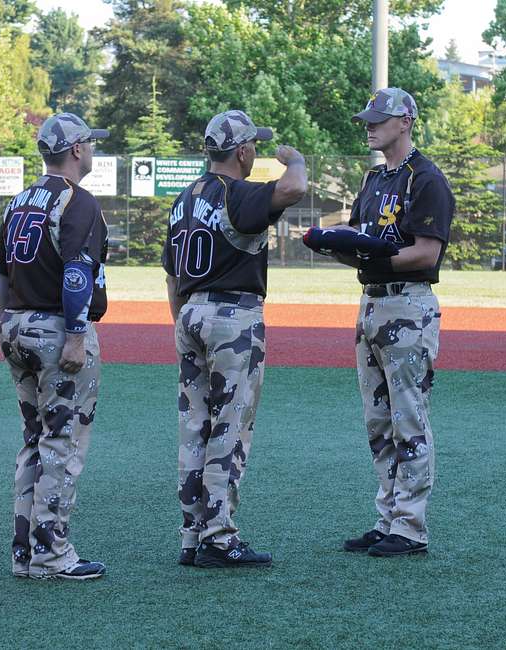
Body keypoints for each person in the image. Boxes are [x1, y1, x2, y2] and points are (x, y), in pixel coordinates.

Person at [304, 88, 454, 557]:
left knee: (408, 417)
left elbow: (427, 252)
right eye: (367, 119)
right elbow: (361, 241)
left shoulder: (425, 178)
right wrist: (332, 244)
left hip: (408, 306)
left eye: (379, 119)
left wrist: (376, 260)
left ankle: (410, 527)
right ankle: (387, 517)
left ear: (406, 121)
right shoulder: (373, 180)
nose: (370, 125)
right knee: (378, 422)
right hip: (371, 304)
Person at [164, 110, 307, 569]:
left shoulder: (184, 198)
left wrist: (181, 322)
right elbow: (293, 188)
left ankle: (192, 536)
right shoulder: (238, 192)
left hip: (189, 310)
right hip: (232, 315)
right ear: (242, 151)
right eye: (255, 148)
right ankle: (220, 537)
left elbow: (170, 274)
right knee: (230, 425)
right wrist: (296, 160)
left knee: (194, 429)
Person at [0, 113, 110, 580]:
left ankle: (25, 552)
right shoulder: (77, 201)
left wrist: (6, 322)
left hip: (18, 326)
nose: (92, 151)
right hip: (57, 330)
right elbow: (77, 272)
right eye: (90, 145)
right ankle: (52, 555)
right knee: (62, 443)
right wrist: (76, 335)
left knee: (34, 441)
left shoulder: (21, 200)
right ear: (76, 150)